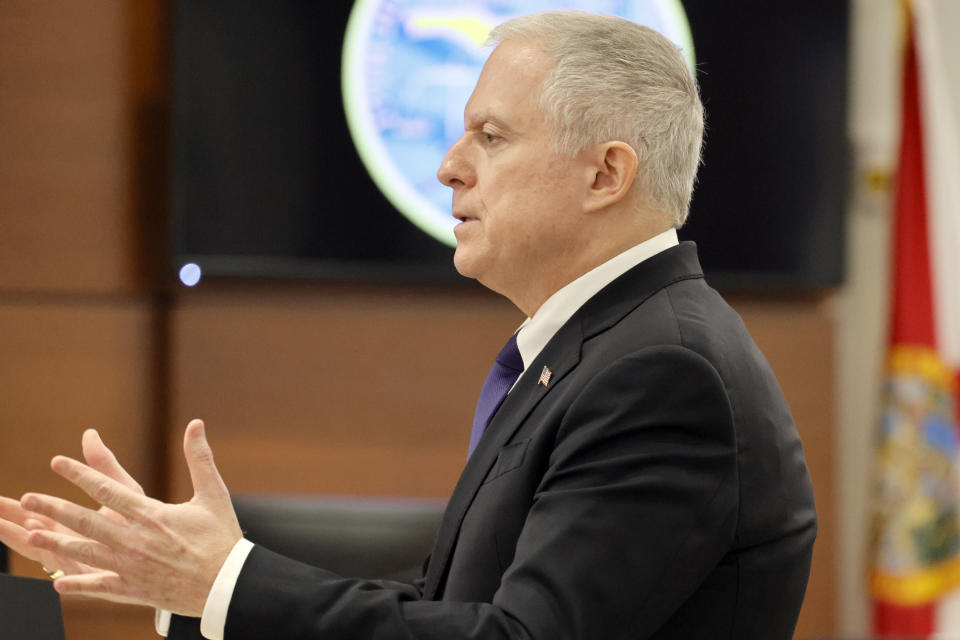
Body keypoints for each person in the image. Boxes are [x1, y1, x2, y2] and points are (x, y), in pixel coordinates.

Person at [0, 10, 816, 639]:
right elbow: (445, 605)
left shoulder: (665, 372)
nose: (449, 164)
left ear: (606, 173)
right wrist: (194, 583)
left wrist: (226, 582)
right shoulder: (596, 350)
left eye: (490, 136)